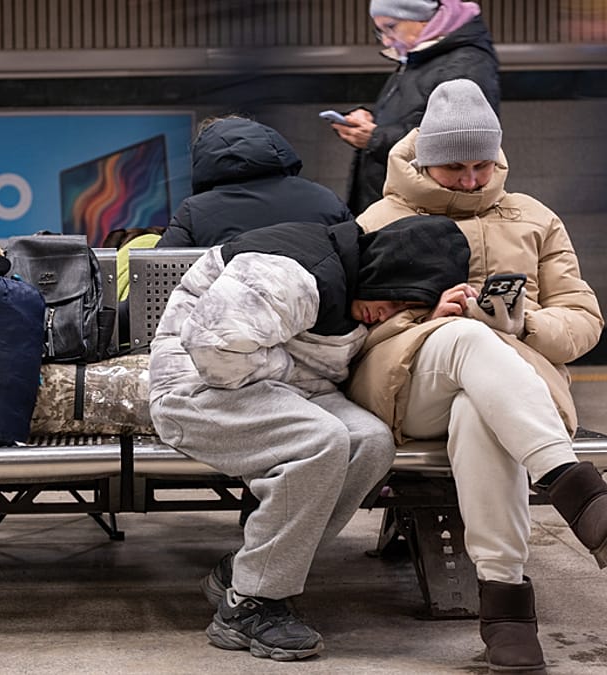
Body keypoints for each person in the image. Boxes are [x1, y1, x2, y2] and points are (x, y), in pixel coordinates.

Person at [347, 79, 607, 673]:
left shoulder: (535, 217)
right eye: (454, 168)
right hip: (407, 381)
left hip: (515, 388)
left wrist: (525, 324)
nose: (471, 181)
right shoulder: (377, 221)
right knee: (465, 336)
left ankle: (506, 609)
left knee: (478, 411)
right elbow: (352, 325)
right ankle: (578, 490)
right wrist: (427, 316)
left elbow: (584, 319)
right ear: (424, 161)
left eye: (482, 165)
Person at [149, 214, 472, 661]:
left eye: (406, 306)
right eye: (394, 296)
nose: (388, 311)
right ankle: (251, 604)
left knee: (371, 442)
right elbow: (213, 350)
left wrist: (422, 319)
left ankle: (247, 570)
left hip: (285, 388)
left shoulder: (359, 283)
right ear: (383, 268)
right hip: (195, 388)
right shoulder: (293, 271)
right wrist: (288, 370)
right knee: (319, 440)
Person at [332, 0, 499, 215]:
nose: (386, 40)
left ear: (424, 20)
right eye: (380, 31)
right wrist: (371, 120)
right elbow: (416, 116)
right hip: (405, 204)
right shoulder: (424, 55)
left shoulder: (465, 63)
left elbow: (461, 141)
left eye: (391, 26)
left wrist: (375, 137)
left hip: (426, 211)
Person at [156, 115, 352, 248]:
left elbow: (157, 275)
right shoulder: (325, 198)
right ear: (273, 144)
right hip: (319, 298)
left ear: (204, 158)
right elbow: (356, 259)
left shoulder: (194, 211)